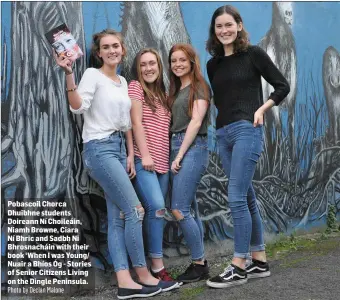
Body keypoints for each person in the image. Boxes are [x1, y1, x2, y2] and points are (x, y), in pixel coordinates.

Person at [54, 29, 176, 299]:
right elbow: (77, 106)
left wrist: (131, 154)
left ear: (123, 50)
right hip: (99, 149)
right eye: (106, 47)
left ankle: (124, 281)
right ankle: (142, 274)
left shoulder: (122, 81)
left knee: (119, 218)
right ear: (99, 53)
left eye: (116, 46)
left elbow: (127, 124)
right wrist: (68, 73)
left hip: (120, 149)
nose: (111, 51)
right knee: (136, 210)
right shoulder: (92, 75)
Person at [205, 5, 290, 289]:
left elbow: (281, 85)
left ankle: (238, 264)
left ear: (239, 26)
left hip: (247, 130)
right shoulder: (212, 64)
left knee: (236, 197)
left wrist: (262, 109)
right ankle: (260, 259)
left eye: (229, 25)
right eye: (219, 27)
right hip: (223, 135)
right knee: (247, 196)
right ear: (214, 31)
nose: (224, 30)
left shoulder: (254, 54)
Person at [128, 48, 179, 288]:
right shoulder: (135, 87)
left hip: (163, 164)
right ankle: (156, 267)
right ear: (138, 69)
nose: (148, 68)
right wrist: (145, 154)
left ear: (159, 67)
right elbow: (135, 122)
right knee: (157, 207)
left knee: (157, 213)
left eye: (152, 64)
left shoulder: (164, 93)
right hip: (144, 159)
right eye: (143, 65)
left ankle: (155, 264)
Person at [168, 43, 211, 283]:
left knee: (179, 209)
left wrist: (179, 155)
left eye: (182, 60)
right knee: (189, 209)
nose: (178, 64)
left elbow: (195, 122)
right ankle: (200, 261)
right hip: (178, 146)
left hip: (192, 148)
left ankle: (199, 264)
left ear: (192, 61)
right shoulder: (177, 89)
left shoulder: (199, 86)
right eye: (174, 61)